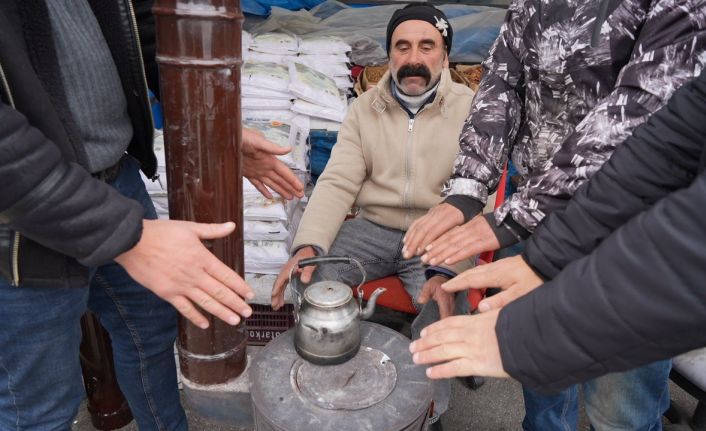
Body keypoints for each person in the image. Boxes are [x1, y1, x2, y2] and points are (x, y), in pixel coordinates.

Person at [402, 0, 706, 429]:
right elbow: (503, 84)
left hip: (634, 228)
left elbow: (646, 115)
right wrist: (469, 191)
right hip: (533, 218)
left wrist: (514, 219)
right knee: (539, 377)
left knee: (621, 403)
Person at [0, 1, 302, 429]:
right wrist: (124, 235)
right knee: (37, 405)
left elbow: (145, 37)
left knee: (151, 334)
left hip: (117, 180)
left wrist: (217, 128)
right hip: (21, 217)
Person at [270, 3, 474, 428]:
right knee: (308, 277)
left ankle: (428, 411)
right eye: (402, 47)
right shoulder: (365, 109)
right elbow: (338, 180)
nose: (413, 58)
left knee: (442, 304)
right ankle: (331, 380)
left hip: (439, 234)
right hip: (374, 228)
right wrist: (308, 245)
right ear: (389, 55)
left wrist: (448, 264)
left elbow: (476, 193)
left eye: (426, 46)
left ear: (445, 54)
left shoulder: (472, 108)